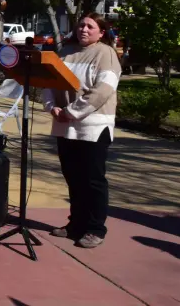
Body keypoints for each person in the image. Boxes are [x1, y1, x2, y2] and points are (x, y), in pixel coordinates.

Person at [44, 13, 121, 249]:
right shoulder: (65, 52)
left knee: (92, 180)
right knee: (73, 179)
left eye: (90, 26)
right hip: (65, 126)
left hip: (93, 127)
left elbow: (102, 91)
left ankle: (95, 228)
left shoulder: (106, 54)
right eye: (81, 25)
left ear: (101, 32)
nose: (84, 30)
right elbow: (49, 82)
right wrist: (51, 107)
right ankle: (75, 224)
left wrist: (72, 111)